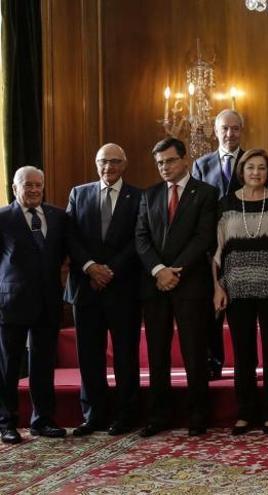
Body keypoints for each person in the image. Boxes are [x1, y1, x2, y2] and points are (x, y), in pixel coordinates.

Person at [135, 137, 218, 437]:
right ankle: (159, 416)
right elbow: (141, 238)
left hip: (190, 284)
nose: (164, 168)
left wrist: (175, 270)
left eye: (169, 161)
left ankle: (198, 415)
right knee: (157, 354)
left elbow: (203, 237)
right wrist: (159, 270)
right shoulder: (149, 195)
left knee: (194, 352)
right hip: (155, 284)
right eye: (159, 163)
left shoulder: (206, 193)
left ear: (184, 160)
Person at [212, 148, 268, 436]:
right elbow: (216, 251)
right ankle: (245, 412)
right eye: (250, 167)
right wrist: (217, 286)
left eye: (261, 168)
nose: (256, 173)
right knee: (243, 354)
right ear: (241, 171)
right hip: (236, 289)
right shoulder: (225, 205)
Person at [65, 144, 143, 436]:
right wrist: (90, 267)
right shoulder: (79, 193)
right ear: (96, 164)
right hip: (86, 288)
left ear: (124, 164)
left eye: (113, 162)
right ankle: (93, 414)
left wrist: (110, 270)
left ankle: (127, 414)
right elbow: (70, 235)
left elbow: (139, 238)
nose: (107, 167)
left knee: (125, 355)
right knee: (89, 355)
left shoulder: (138, 196)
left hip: (122, 287)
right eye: (102, 162)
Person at [0, 166, 68, 444]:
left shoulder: (58, 216)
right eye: (27, 185)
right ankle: (6, 423)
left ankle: (43, 420)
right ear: (15, 188)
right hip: (11, 303)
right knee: (8, 366)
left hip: (48, 302)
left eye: (38, 185)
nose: (34, 190)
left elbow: (64, 255)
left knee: (42, 364)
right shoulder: (3, 218)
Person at [192, 109, 246, 380]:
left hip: (243, 246)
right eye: (225, 128)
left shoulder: (251, 161)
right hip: (211, 247)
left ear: (241, 131)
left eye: (235, 128)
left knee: (241, 312)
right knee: (211, 312)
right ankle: (213, 361)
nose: (229, 134)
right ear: (215, 131)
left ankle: (244, 365)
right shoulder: (202, 165)